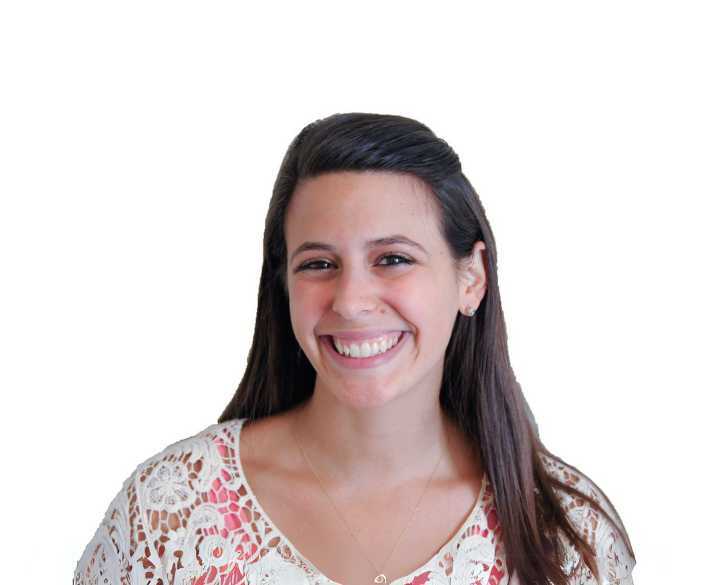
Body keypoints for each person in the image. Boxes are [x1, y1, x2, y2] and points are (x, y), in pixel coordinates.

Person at [74, 113, 636, 585]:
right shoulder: (168, 514)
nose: (351, 300)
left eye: (393, 258)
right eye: (318, 264)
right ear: (284, 286)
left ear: (471, 277)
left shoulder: (567, 535)